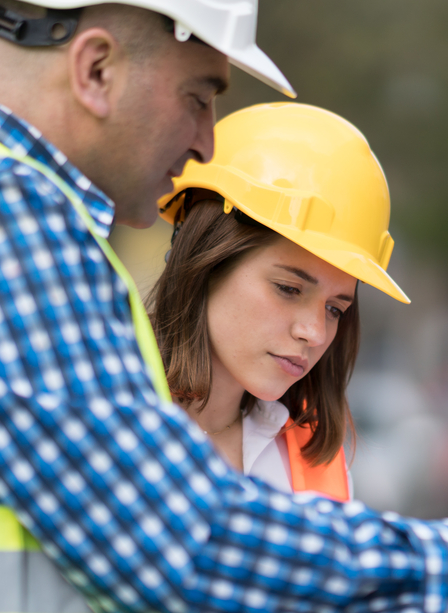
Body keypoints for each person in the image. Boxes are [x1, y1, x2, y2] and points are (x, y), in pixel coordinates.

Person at [0, 0, 448, 612]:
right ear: (95, 68)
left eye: (336, 305)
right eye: (197, 97)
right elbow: (169, 542)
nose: (207, 143)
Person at [150, 102, 411, 502]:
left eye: (335, 309)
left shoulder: (315, 461)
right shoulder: (108, 410)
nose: (315, 333)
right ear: (204, 261)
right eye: (289, 289)